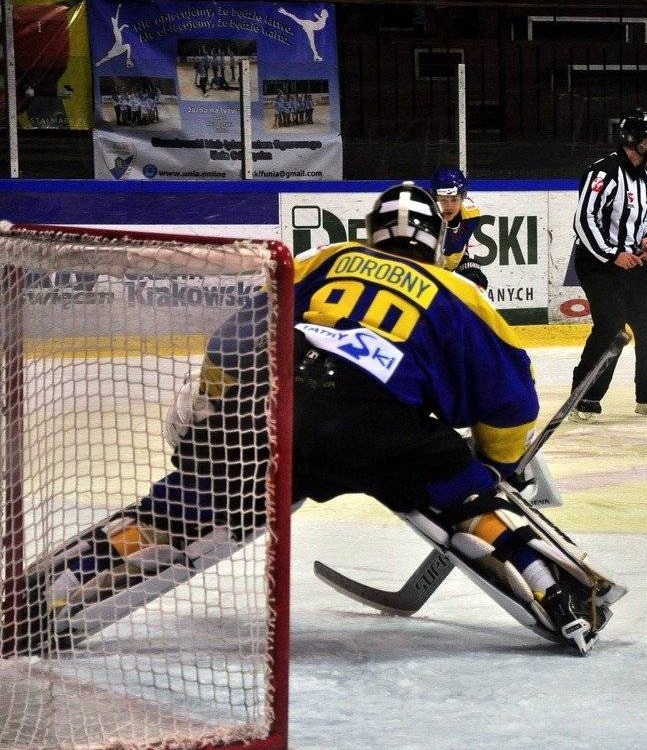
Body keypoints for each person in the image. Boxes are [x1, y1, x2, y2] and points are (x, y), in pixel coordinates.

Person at [11, 184, 615, 657]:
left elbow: (232, 344)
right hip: (382, 430)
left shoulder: (330, 259)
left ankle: (59, 583)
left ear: (371, 233)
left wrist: (214, 421)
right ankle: (548, 585)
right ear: (435, 241)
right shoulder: (460, 292)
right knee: (465, 501)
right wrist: (497, 469)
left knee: (180, 510)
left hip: (278, 411)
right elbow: (510, 402)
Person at [568, 108, 647, 422]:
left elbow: (646, 218)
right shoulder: (604, 172)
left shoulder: (644, 179)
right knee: (611, 327)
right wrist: (611, 254)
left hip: (633, 262)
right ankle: (584, 395)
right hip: (598, 263)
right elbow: (584, 220)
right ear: (635, 140)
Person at [430, 166, 488, 289]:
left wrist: (465, 262)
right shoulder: (426, 218)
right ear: (435, 198)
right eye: (443, 200)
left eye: (454, 199)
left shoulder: (472, 215)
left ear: (462, 198)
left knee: (476, 280)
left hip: (448, 268)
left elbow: (459, 243)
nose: (449, 206)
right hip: (424, 272)